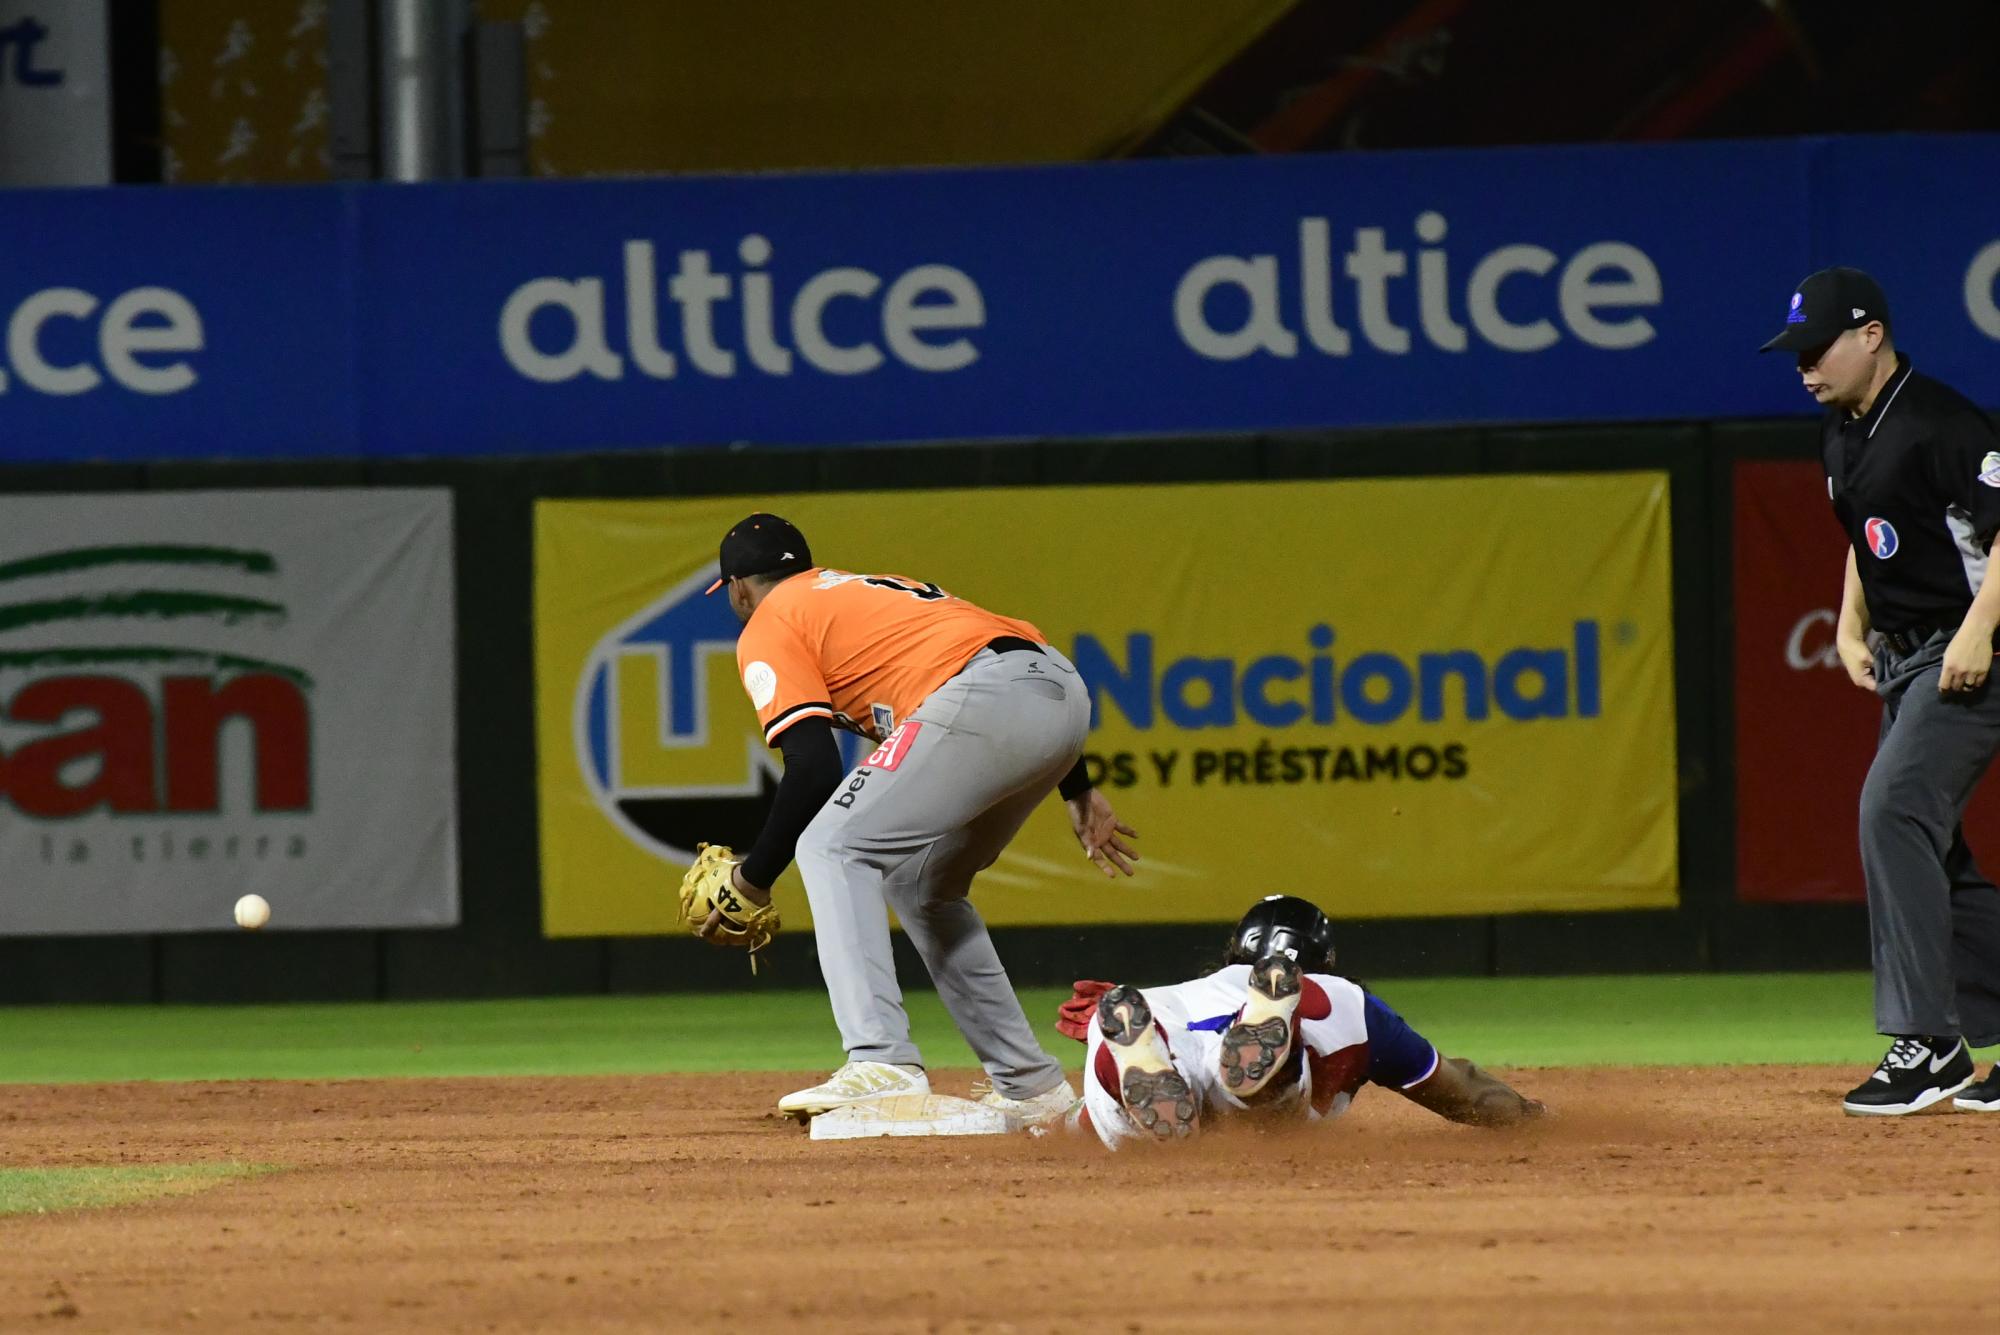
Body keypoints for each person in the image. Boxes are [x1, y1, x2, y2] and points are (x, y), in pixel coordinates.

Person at [697, 513, 1139, 1127]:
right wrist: (1077, 787)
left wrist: (754, 876)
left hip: (983, 697)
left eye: (733, 596)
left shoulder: (771, 621)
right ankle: (1031, 1087)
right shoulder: (861, 588)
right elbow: (1001, 655)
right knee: (921, 885)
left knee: (831, 844)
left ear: (739, 588)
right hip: (1058, 691)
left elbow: (813, 769)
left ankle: (881, 1061)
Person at [1760, 266, 2000, 1115]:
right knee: (1934, 850)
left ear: (1871, 336)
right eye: (1794, 353)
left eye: (1815, 348)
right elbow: (1869, 539)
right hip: (1908, 653)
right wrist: (1847, 622)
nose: (1803, 366)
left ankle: (1930, 1045)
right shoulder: (1843, 430)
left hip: (1972, 647)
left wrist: (1979, 632)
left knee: (1892, 808)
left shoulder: (1941, 421)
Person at [1057, 895, 1545, 1148]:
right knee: (1267, 1102)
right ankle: (1274, 1056)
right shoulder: (1342, 998)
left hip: (1160, 1012)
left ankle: (1137, 1060)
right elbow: (1460, 1089)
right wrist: (1530, 1116)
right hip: (1293, 1042)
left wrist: (1058, 1128)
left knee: (1122, 1114)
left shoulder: (1176, 994)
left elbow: (1082, 1126)